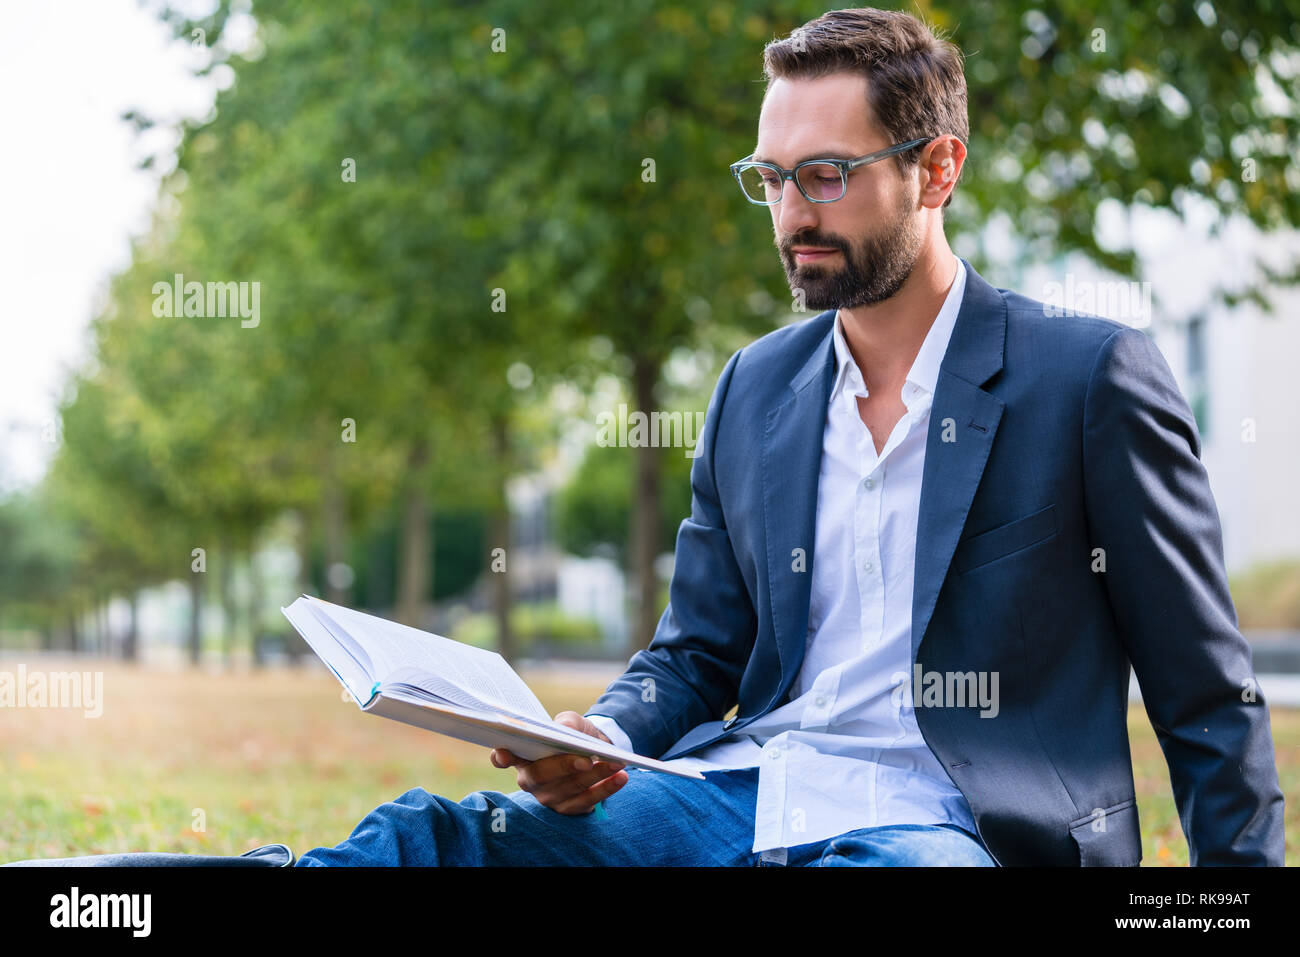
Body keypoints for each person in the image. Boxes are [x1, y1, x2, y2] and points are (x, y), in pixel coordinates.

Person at [7, 7, 1284, 869]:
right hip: (746, 793)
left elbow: (1204, 691)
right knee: (440, 839)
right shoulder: (755, 391)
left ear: (936, 168)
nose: (791, 212)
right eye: (770, 178)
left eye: (825, 175)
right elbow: (695, 652)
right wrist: (606, 741)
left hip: (952, 834)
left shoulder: (1084, 376)